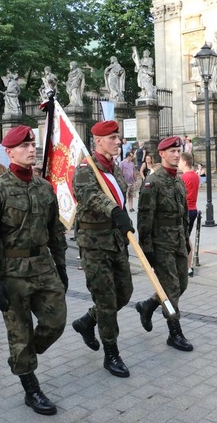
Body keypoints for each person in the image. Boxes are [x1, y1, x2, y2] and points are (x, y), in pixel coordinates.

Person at [0, 125, 67, 415]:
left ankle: (21, 357)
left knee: (56, 321)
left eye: (33, 144)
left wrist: (61, 266)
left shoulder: (45, 187)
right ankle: (30, 385)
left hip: (43, 267)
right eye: (24, 146)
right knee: (20, 332)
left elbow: (56, 233)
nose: (31, 149)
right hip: (11, 274)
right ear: (9, 152)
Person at [71, 120, 134, 378]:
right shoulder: (86, 169)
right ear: (98, 141)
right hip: (94, 243)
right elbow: (92, 197)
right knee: (106, 300)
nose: (118, 142)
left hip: (115, 240)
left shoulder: (114, 168)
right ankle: (111, 354)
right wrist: (116, 213)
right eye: (112, 138)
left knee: (125, 292)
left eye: (118, 137)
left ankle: (87, 321)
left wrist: (125, 223)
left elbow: (119, 196)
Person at [135, 136, 193, 352]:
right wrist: (146, 250)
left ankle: (148, 305)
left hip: (177, 240)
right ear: (161, 154)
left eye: (178, 151)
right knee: (171, 288)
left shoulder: (177, 179)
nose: (177, 155)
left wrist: (186, 239)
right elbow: (144, 218)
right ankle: (174, 332)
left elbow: (183, 212)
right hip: (161, 244)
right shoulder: (153, 181)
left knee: (181, 284)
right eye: (172, 151)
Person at [179, 152, 199, 277]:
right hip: (193, 208)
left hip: (185, 209)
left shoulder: (184, 177)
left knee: (183, 238)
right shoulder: (195, 176)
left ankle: (185, 266)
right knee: (187, 237)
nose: (178, 164)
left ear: (185, 162)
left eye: (180, 161)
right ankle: (189, 266)